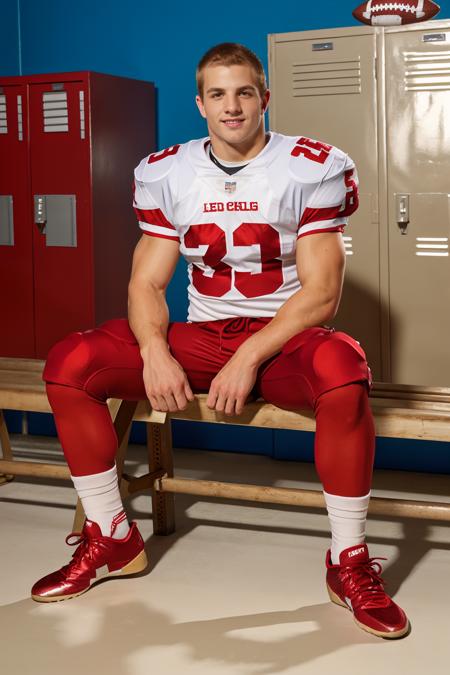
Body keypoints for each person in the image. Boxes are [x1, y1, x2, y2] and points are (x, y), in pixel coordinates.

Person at [31, 42, 409, 639]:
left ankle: (348, 561)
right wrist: (155, 351)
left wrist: (249, 356)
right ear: (200, 103)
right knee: (71, 360)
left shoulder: (311, 165)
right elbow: (145, 282)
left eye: (244, 92)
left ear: (264, 97)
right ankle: (111, 535)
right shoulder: (167, 170)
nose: (231, 106)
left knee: (343, 369)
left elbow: (321, 294)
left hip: (284, 341)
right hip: (206, 335)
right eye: (217, 94)